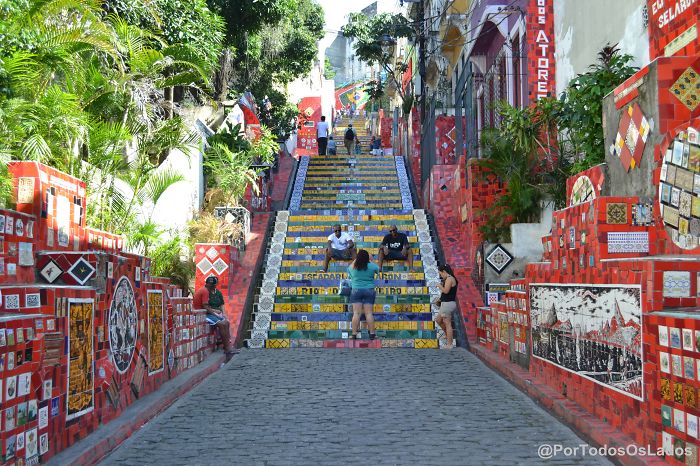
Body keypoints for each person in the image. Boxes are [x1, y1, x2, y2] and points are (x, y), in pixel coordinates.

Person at [193, 276, 237, 361]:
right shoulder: (205, 292)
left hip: (207, 313)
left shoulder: (206, 290)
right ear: (212, 285)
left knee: (226, 322)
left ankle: (227, 346)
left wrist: (220, 314)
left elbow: (212, 306)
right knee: (222, 323)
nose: (214, 287)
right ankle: (227, 349)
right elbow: (206, 307)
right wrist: (216, 314)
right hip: (202, 315)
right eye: (214, 285)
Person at [347, 249, 379, 339]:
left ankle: (354, 334)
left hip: (356, 290)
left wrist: (356, 259)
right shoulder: (372, 266)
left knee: (356, 313)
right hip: (369, 290)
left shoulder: (352, 267)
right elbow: (378, 270)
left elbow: (349, 273)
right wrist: (371, 260)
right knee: (369, 313)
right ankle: (372, 334)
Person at [434, 264, 458, 350]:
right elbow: (445, 294)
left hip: (448, 304)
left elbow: (446, 291)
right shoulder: (448, 279)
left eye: (441, 274)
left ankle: (449, 344)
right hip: (445, 303)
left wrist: (440, 286)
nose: (441, 275)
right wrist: (440, 300)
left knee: (447, 323)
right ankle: (448, 336)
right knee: (438, 320)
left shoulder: (449, 279)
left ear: (444, 272)